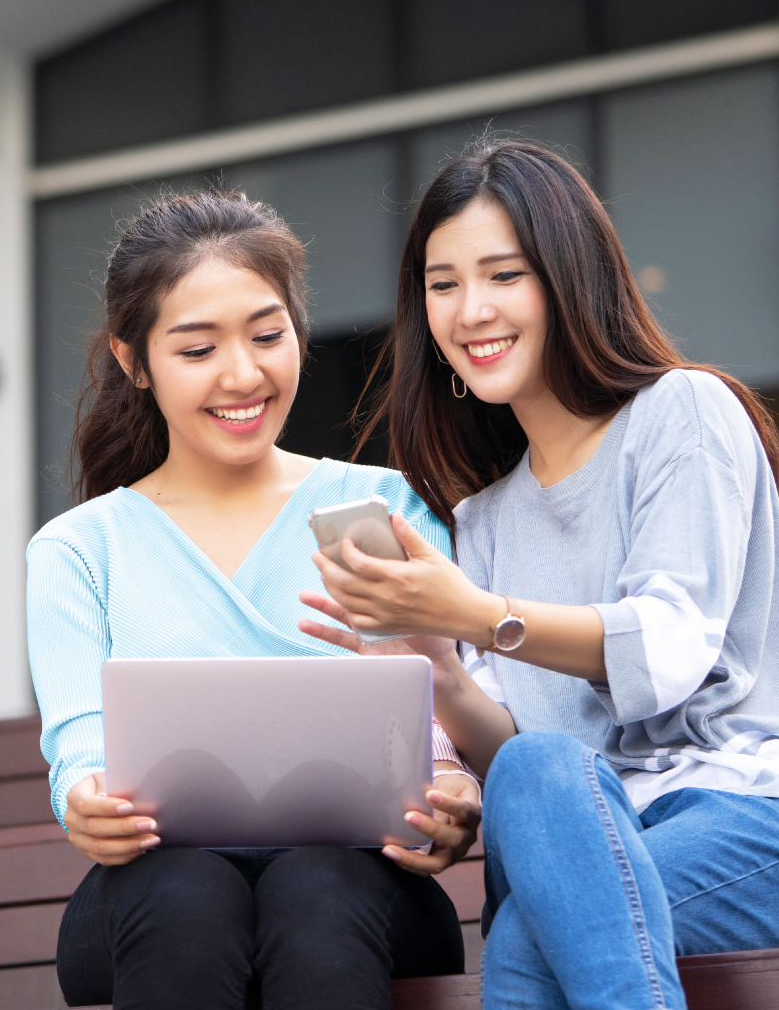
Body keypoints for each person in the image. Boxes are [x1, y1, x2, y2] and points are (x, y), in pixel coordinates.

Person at [298, 141, 779, 1010]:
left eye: (503, 275)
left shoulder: (685, 413)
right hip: (586, 836)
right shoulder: (485, 520)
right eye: (443, 283)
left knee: (535, 927)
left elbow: (672, 645)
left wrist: (484, 615)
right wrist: (443, 670)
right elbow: (523, 753)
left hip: (758, 821)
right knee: (533, 772)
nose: (471, 310)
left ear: (569, 279)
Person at [28, 190, 480, 1010]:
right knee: (187, 894)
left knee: (316, 888)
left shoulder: (387, 509)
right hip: (153, 900)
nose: (244, 374)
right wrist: (86, 802)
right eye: (198, 349)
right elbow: (81, 749)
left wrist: (447, 790)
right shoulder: (79, 550)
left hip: (359, 888)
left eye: (268, 336)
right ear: (135, 363)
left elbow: (438, 703)